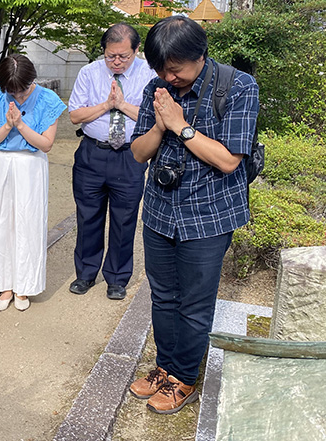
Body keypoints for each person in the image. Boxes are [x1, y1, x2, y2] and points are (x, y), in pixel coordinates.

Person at [129, 16, 259, 414]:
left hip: (209, 214)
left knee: (194, 304)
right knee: (163, 296)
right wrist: (160, 125)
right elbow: (138, 153)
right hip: (160, 211)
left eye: (175, 69)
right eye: (160, 69)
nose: (168, 77)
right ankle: (164, 368)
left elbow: (228, 160)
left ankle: (184, 377)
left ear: (199, 55)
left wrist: (181, 126)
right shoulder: (158, 87)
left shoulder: (238, 87)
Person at [68, 23, 155, 300]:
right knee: (88, 215)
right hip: (92, 154)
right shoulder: (89, 72)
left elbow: (153, 116)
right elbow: (75, 115)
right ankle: (85, 273)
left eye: (123, 57)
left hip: (131, 155)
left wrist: (122, 105)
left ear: (136, 50)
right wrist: (106, 105)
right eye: (110, 56)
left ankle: (117, 278)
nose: (116, 62)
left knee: (124, 218)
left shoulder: (149, 74)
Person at [0, 54, 66, 312]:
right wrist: (6, 125)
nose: (18, 96)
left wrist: (21, 125)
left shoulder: (48, 100)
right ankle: (4, 284)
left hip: (31, 165)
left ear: (32, 81)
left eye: (23, 90)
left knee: (28, 223)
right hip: (1, 163)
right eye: (12, 91)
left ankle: (24, 285)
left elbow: (46, 144)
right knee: (0, 222)